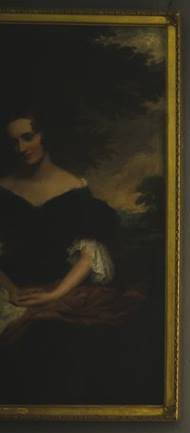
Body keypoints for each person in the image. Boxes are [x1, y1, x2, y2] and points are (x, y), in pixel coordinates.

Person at [0, 110, 144, 404]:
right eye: (13, 142)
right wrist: (10, 289)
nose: (22, 148)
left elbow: (87, 255)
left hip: (62, 287)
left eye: (28, 137)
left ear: (44, 136)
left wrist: (53, 294)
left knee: (62, 344)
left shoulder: (74, 189)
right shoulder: (4, 188)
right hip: (8, 287)